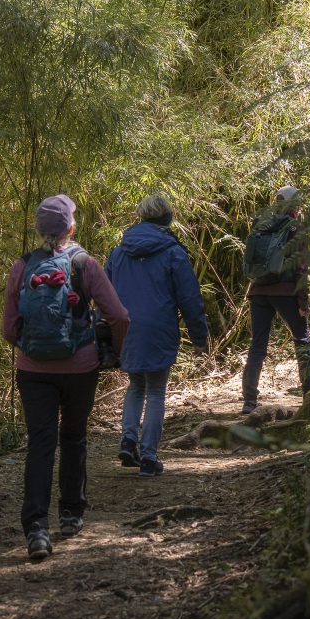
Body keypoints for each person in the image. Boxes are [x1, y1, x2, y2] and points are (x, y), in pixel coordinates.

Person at [1, 194, 130, 560]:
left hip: (32, 371)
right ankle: (71, 514)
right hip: (80, 368)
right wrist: (114, 350)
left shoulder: (22, 265)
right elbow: (120, 316)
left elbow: (8, 328)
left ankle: (37, 529)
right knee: (73, 437)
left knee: (40, 444)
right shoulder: (84, 264)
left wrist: (30, 346)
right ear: (71, 227)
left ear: (38, 229)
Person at [105, 193, 209, 478]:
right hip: (159, 328)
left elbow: (106, 296)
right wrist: (199, 337)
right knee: (155, 392)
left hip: (127, 329)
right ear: (167, 218)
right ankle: (149, 457)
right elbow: (189, 297)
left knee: (136, 385)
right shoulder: (173, 252)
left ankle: (128, 441)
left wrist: (108, 333)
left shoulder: (118, 253)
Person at [241, 184, 310, 415]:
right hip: (285, 291)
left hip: (259, 290)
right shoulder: (296, 227)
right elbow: (301, 267)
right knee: (302, 339)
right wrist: (303, 301)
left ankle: (249, 401)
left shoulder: (261, 223)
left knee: (257, 345)